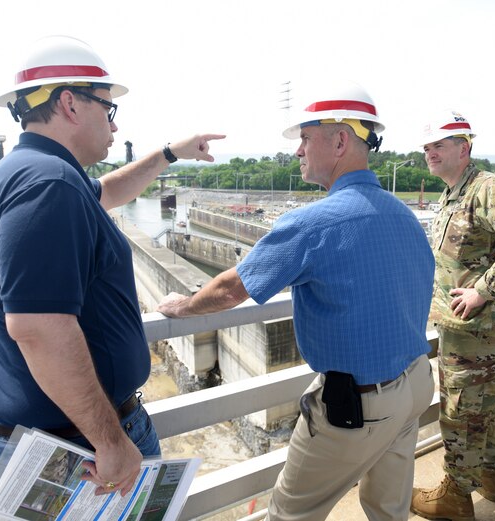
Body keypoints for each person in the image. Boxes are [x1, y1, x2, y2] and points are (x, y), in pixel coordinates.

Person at [157, 82, 435, 521]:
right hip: (415, 382)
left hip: (358, 407)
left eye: (306, 138)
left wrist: (182, 306)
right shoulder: (402, 213)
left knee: (290, 514)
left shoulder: (313, 223)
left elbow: (231, 288)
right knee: (388, 508)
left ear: (340, 140)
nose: (298, 151)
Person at [0, 35, 224, 497]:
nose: (112, 122)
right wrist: (110, 441)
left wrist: (170, 153)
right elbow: (38, 327)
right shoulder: (49, 184)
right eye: (108, 108)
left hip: (46, 433)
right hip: (72, 447)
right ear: (70, 103)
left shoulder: (30, 172)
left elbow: (108, 192)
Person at [410, 111, 495, 521]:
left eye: (439, 146)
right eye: (427, 147)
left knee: (458, 410)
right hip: (465, 328)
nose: (430, 153)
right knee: (481, 406)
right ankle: (487, 475)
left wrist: (482, 290)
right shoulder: (454, 192)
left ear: (464, 148)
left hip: (478, 328)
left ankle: (455, 496)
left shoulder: (486, 187)